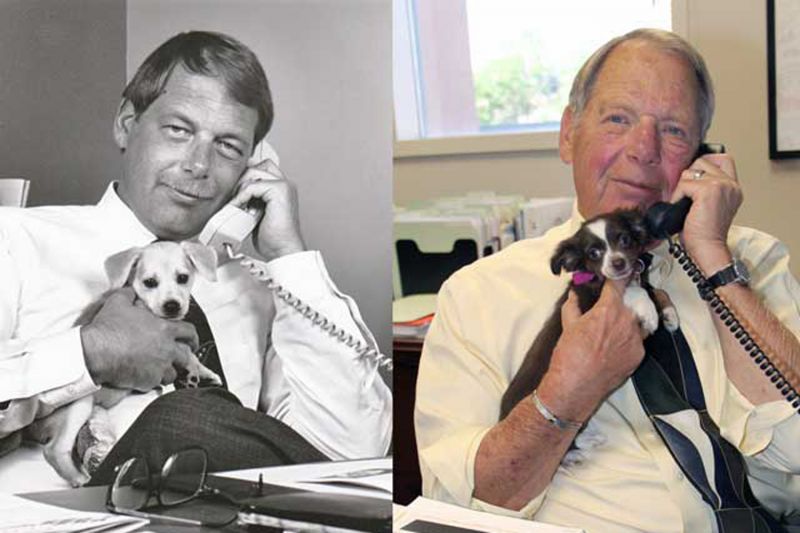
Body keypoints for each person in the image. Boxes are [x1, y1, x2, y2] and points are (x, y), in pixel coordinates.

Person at [415, 28, 800, 532]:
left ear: (703, 154)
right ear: (568, 134)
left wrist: (713, 261)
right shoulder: (478, 294)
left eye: (674, 131)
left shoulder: (751, 260)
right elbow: (453, 506)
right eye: (618, 119)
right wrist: (565, 394)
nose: (643, 149)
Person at [0, 31, 391, 490]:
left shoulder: (264, 294)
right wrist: (91, 353)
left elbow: (351, 455)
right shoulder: (17, 239)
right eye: (179, 130)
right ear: (127, 124)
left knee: (193, 420)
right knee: (178, 421)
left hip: (231, 516)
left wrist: (290, 256)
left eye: (228, 146)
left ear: (254, 164)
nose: (199, 164)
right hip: (59, 519)